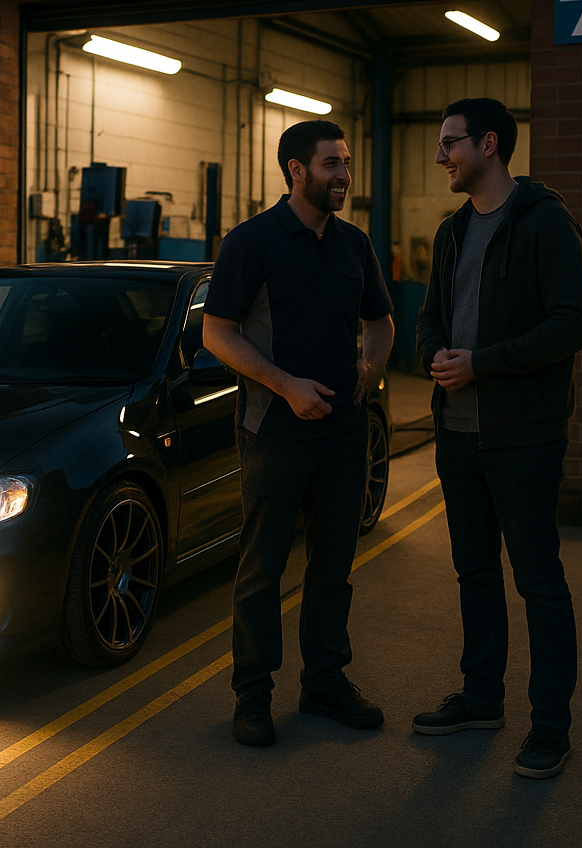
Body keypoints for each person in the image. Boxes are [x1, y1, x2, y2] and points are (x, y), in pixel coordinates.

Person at [413, 97, 582, 779]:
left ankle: (550, 726)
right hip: (457, 435)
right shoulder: (452, 233)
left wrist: (482, 363)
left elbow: (573, 323)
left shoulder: (545, 222)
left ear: (488, 144)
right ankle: (483, 698)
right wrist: (433, 356)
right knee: (475, 572)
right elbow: (429, 319)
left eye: (450, 143)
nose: (441, 156)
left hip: (523, 438)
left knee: (538, 581)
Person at [203, 118, 394, 747]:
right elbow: (217, 332)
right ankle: (253, 696)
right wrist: (286, 386)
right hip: (273, 431)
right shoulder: (251, 241)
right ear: (296, 170)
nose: (344, 175)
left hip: (343, 434)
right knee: (262, 568)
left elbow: (381, 320)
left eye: (346, 163)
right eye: (332, 164)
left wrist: (370, 369)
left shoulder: (353, 244)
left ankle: (324, 685)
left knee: (333, 566)